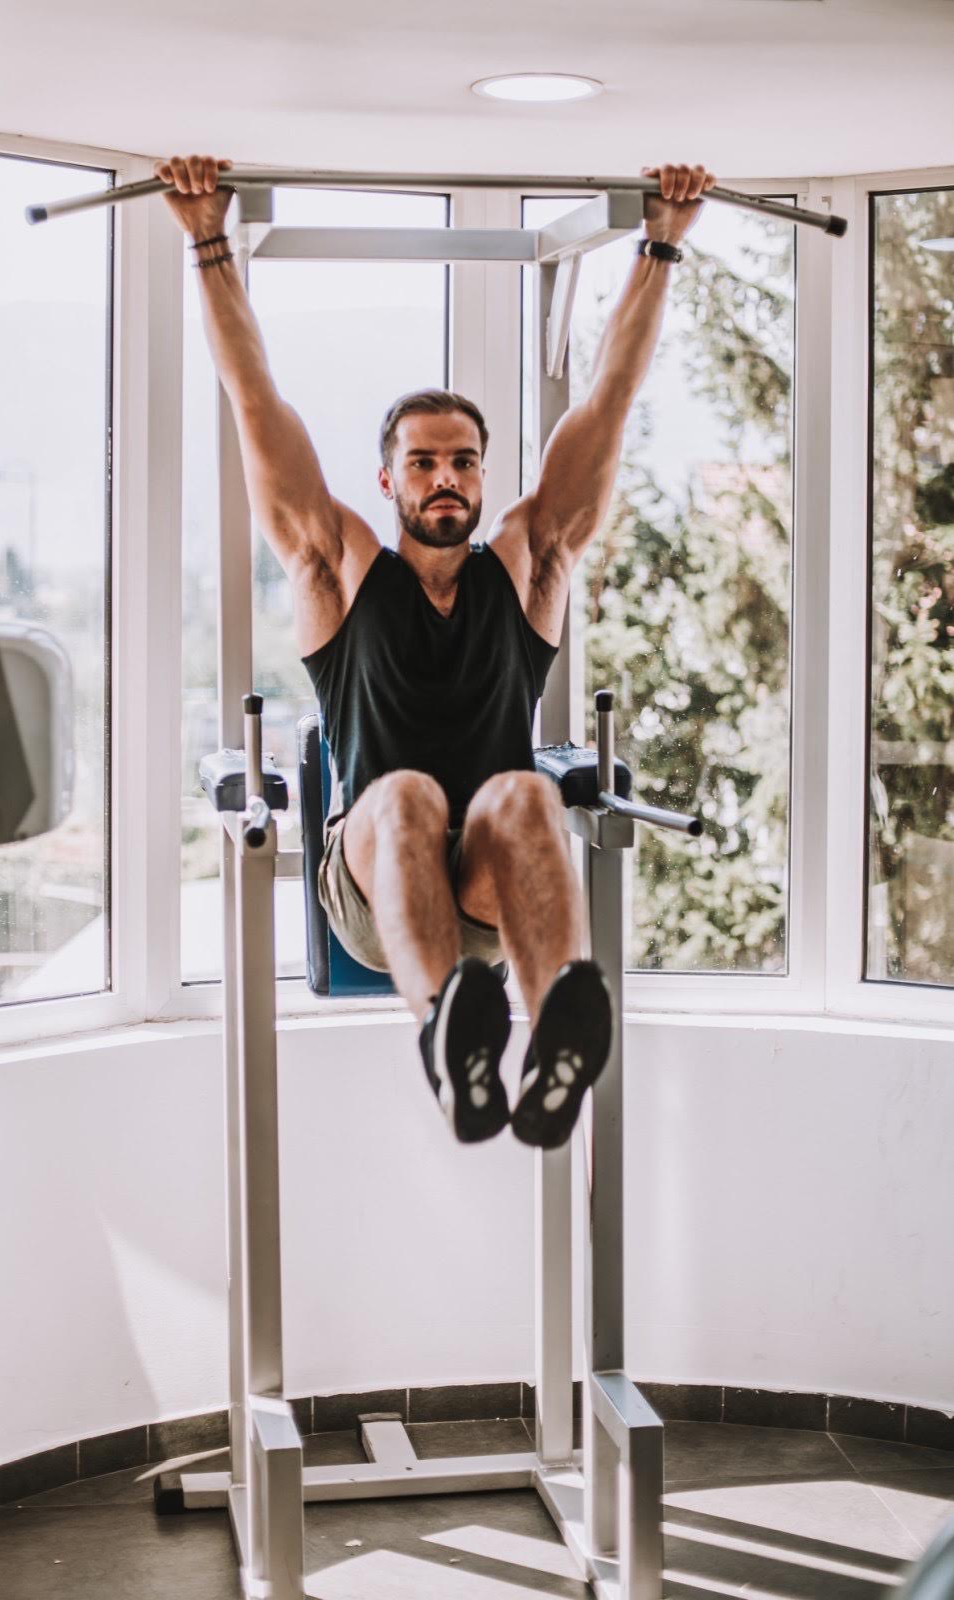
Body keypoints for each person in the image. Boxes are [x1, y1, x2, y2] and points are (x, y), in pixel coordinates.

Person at [158, 154, 715, 1150]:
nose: (444, 477)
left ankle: (553, 1039)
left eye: (461, 461)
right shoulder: (335, 571)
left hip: (485, 885)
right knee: (406, 795)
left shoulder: (532, 563)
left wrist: (659, 248)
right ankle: (447, 1037)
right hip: (372, 879)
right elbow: (256, 404)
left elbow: (607, 401)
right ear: (388, 481)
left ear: (483, 476)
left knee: (523, 795)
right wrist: (207, 242)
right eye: (421, 462)